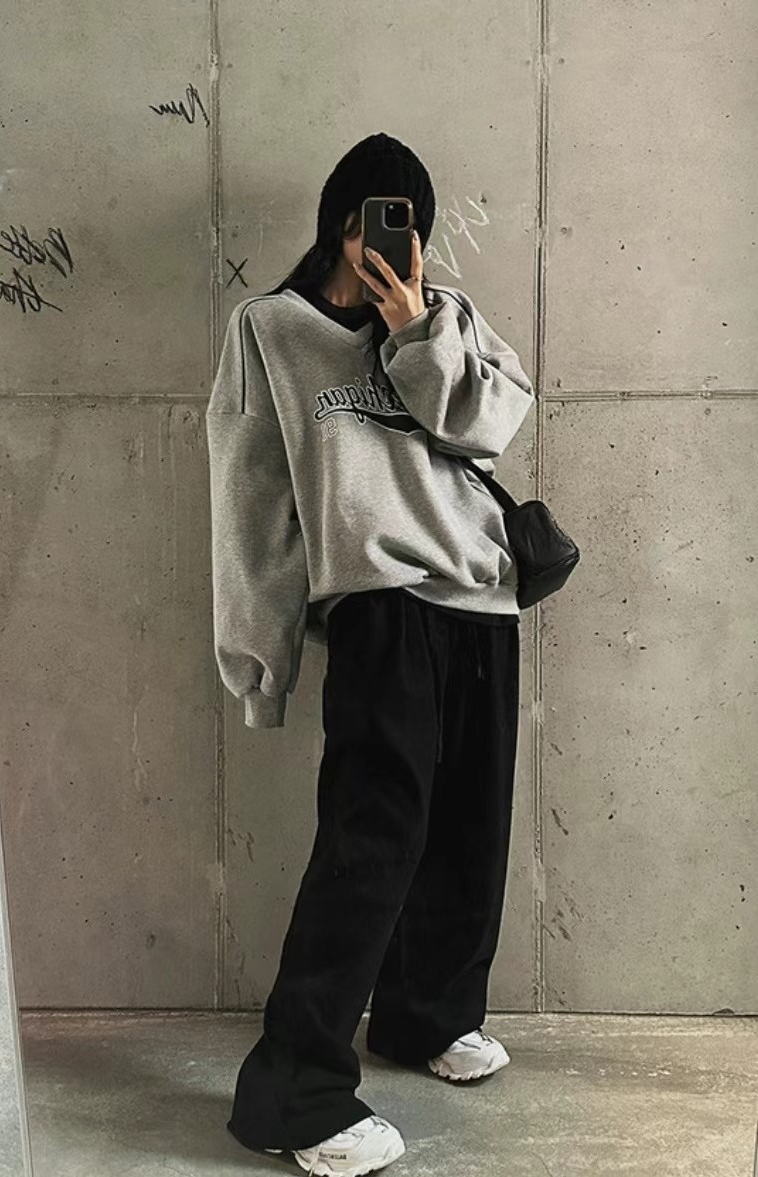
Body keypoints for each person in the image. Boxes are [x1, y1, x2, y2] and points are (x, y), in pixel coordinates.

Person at [206, 132, 535, 1176]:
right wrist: (260, 662)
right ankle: (292, 1093)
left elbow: (492, 427)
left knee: (470, 826)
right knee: (371, 841)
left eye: (403, 223)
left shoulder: (448, 319)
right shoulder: (271, 330)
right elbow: (250, 503)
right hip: (380, 610)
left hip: (483, 599)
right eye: (366, 220)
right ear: (337, 221)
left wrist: (415, 330)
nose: (382, 242)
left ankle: (424, 1013)